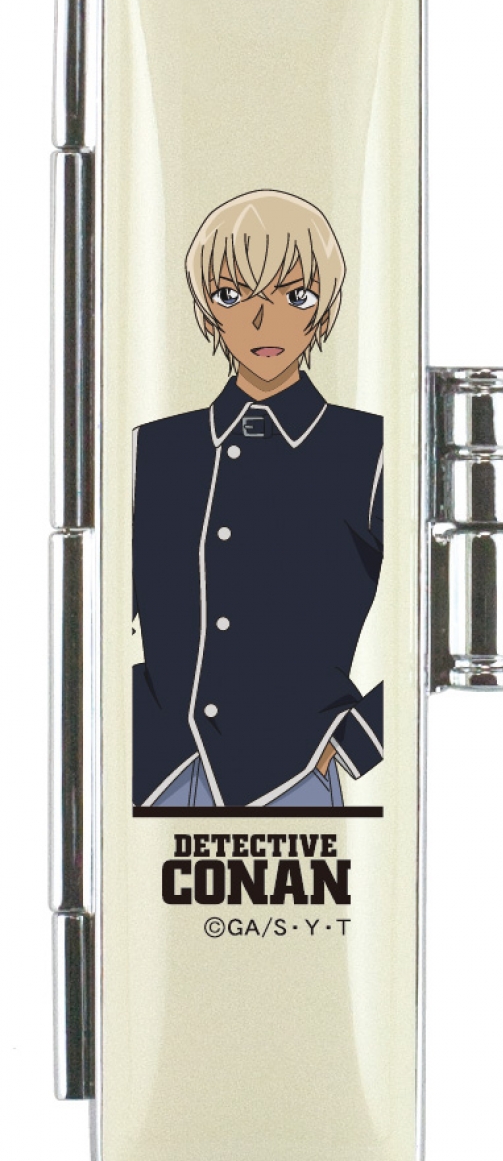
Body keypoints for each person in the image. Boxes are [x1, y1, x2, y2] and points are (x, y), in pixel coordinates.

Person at [133, 189, 383, 808]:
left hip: (297, 774)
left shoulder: (367, 449)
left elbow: (429, 626)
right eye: (232, 295)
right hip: (159, 769)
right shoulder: (154, 450)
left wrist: (358, 739)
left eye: (296, 296)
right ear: (206, 309)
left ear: (325, 306)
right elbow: (100, 616)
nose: (262, 323)